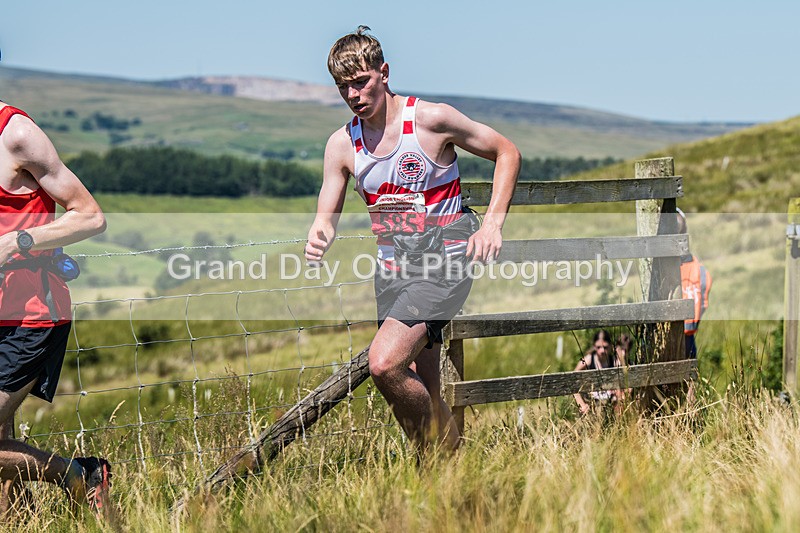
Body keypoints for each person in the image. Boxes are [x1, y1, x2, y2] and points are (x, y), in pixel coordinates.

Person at [304, 26, 520, 451]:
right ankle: (444, 475)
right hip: (392, 272)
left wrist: (493, 224)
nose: (353, 95)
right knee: (423, 384)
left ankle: (448, 455)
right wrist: (320, 232)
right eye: (343, 87)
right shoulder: (342, 145)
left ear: (383, 73)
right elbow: (325, 213)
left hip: (444, 262)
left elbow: (506, 152)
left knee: (383, 364)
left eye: (361, 82)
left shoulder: (429, 120)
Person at [0, 94, 109, 516]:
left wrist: (16, 241)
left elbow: (90, 216)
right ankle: (21, 519)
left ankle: (78, 475)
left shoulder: (18, 135)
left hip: (31, 315)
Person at [677, 208, 712, 359]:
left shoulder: (698, 270)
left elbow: (702, 304)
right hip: (664, 338)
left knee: (687, 380)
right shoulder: (660, 267)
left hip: (687, 338)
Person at [573, 330, 628, 415]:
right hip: (591, 402)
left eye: (605, 347)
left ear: (610, 346)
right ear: (594, 346)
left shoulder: (614, 361)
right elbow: (573, 380)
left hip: (610, 403)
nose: (602, 350)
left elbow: (625, 379)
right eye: (598, 347)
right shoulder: (586, 360)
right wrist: (582, 404)